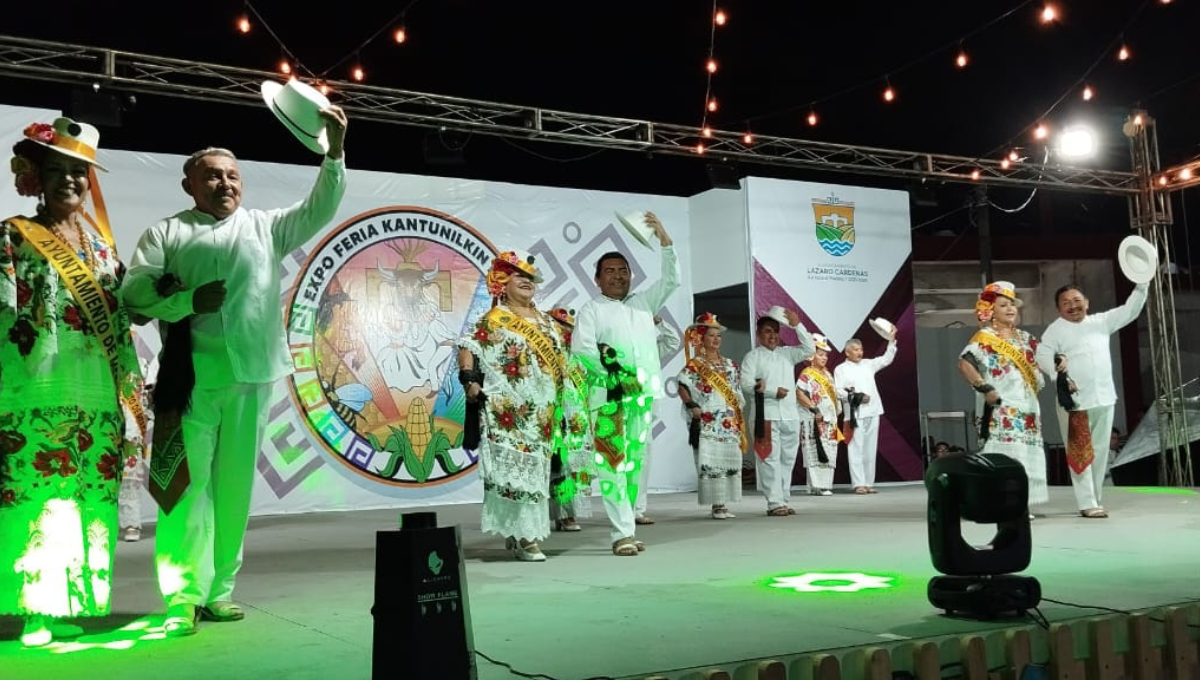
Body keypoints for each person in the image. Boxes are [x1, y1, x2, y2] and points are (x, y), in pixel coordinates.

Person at [119, 106, 348, 636]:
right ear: (189, 183)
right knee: (185, 488)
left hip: (251, 377)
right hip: (190, 381)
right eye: (213, 175)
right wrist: (187, 301)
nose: (225, 183)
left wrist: (333, 152)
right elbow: (133, 293)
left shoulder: (265, 228)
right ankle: (182, 594)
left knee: (234, 489)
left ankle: (220, 590)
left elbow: (321, 206)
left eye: (232, 175)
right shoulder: (167, 233)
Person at [0, 117, 144, 646]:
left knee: (88, 498)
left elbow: (127, 317)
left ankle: (73, 603)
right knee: (44, 497)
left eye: (78, 174)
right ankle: (36, 609)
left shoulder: (105, 250)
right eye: (57, 171)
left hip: (97, 392)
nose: (69, 181)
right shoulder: (13, 236)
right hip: (38, 390)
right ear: (35, 176)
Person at [571, 213, 678, 556]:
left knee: (633, 465)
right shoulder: (592, 310)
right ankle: (621, 534)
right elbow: (583, 350)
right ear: (597, 279)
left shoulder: (644, 304)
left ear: (631, 276)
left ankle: (628, 526)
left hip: (643, 399)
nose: (618, 276)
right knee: (611, 463)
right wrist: (613, 375)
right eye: (610, 272)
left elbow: (672, 279)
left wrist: (665, 241)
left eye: (623, 271)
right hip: (608, 399)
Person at [458, 251, 568, 561]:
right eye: (518, 275)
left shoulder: (548, 322)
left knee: (535, 474)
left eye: (530, 278)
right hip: (506, 411)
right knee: (513, 474)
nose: (526, 281)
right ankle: (525, 538)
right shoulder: (494, 320)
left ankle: (518, 533)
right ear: (502, 283)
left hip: (542, 414)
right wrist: (469, 380)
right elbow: (468, 346)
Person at [1035, 282, 1148, 518]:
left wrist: (1142, 285)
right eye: (1066, 303)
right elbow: (1043, 355)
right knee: (1080, 452)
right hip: (1075, 402)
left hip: (1105, 397)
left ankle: (1095, 498)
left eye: (1077, 301)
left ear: (1087, 302)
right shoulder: (1055, 330)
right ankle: (1086, 502)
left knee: (1099, 451)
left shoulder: (1101, 322)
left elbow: (1130, 310)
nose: (1073, 306)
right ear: (1058, 309)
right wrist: (1058, 375)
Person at [957, 281, 1048, 516]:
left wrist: (1061, 360)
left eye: (1012, 305)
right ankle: (1000, 503)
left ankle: (1020, 503)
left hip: (1027, 407)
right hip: (1001, 407)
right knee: (1004, 455)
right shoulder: (985, 337)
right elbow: (965, 363)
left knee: (1025, 455)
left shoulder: (1027, 338)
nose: (1010, 309)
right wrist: (984, 386)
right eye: (1003, 305)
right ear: (991, 310)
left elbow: (1046, 358)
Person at [739, 310, 815, 517]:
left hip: (790, 415)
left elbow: (810, 349)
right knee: (768, 459)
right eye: (767, 332)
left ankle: (783, 498)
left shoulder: (787, 353)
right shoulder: (752, 357)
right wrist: (771, 392)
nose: (772, 336)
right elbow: (745, 384)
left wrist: (797, 325)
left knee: (787, 460)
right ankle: (774, 502)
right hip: (766, 416)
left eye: (775, 331)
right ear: (758, 334)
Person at [677, 313, 745, 519]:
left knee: (728, 460)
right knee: (712, 461)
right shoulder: (695, 365)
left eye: (719, 336)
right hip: (707, 419)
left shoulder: (731, 365)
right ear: (702, 338)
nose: (716, 339)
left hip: (728, 419)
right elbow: (682, 385)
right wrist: (691, 406)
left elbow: (736, 391)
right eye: (711, 335)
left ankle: (723, 503)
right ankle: (716, 505)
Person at [547, 307, 594, 533]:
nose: (566, 331)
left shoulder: (579, 357)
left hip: (579, 418)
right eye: (561, 325)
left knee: (578, 464)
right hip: (558, 415)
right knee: (561, 466)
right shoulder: (547, 354)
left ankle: (573, 511)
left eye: (569, 327)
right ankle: (563, 514)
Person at [833, 331, 897, 494]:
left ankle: (868, 482)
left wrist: (891, 342)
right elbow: (838, 391)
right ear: (847, 352)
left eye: (860, 349)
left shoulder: (868, 364)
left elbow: (886, 359)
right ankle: (858, 483)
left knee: (869, 448)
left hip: (873, 411)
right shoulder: (841, 369)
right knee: (856, 448)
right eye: (855, 349)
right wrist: (857, 397)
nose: (859, 352)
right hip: (854, 414)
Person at [796, 334, 840, 496]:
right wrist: (814, 409)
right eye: (820, 354)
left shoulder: (828, 375)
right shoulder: (806, 373)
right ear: (811, 356)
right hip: (814, 418)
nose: (824, 357)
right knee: (814, 450)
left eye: (825, 355)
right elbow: (799, 394)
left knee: (829, 450)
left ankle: (821, 485)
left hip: (830, 419)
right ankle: (818, 486)